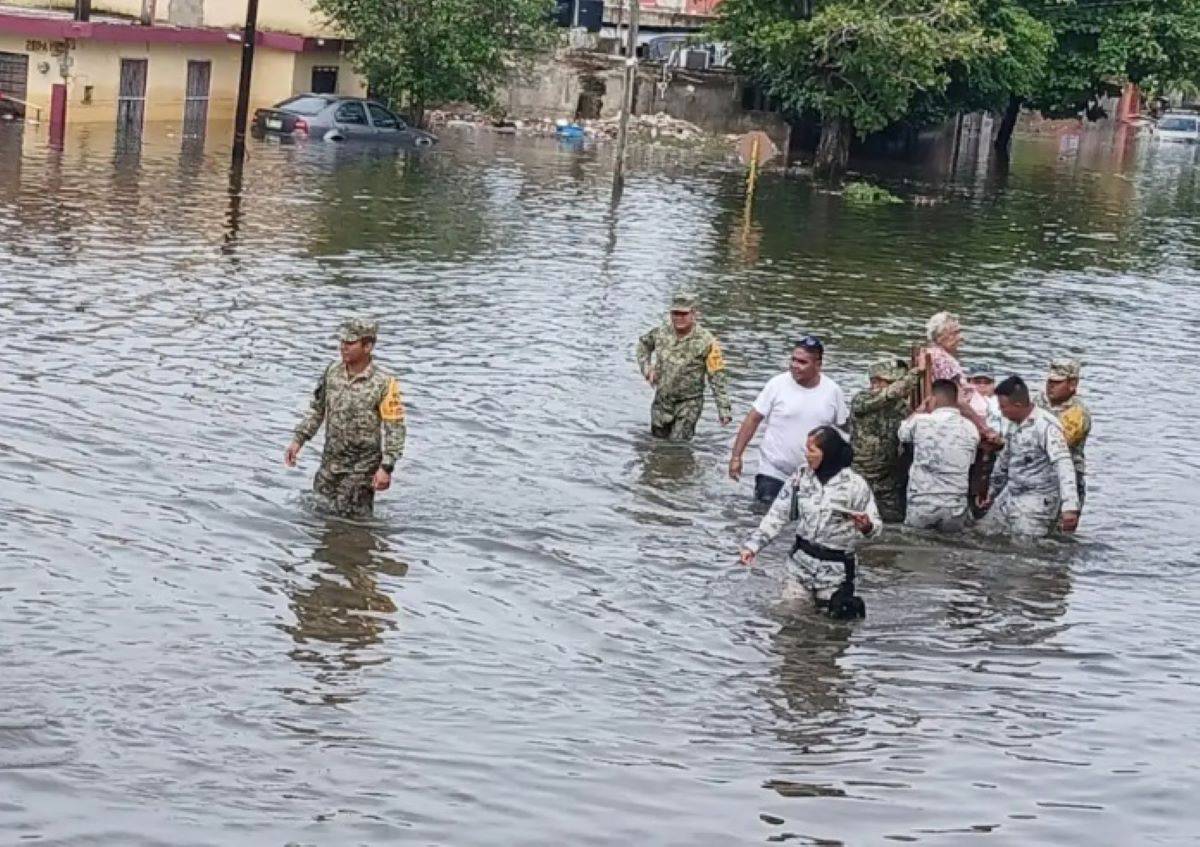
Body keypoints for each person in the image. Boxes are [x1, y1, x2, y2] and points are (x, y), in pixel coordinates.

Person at [739, 426, 881, 618]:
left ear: (828, 453)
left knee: (830, 631)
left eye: (812, 450)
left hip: (836, 572)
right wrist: (753, 546)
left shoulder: (855, 485)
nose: (807, 455)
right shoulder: (800, 478)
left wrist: (866, 526)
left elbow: (876, 528)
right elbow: (778, 515)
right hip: (800, 566)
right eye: (806, 449)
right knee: (790, 618)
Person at [285, 318, 407, 518]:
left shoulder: (384, 383)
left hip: (362, 468)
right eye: (342, 342)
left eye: (350, 343)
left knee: (353, 520)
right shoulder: (332, 372)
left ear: (368, 346)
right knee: (319, 514)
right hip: (331, 463)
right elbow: (317, 410)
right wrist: (298, 441)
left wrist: (387, 467)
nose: (343, 347)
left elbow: (395, 427)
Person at [729, 336, 849, 505]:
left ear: (818, 365)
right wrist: (736, 456)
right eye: (793, 359)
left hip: (813, 475)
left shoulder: (833, 391)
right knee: (764, 517)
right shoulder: (777, 384)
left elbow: (844, 431)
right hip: (773, 470)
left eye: (802, 362)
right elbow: (752, 419)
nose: (795, 366)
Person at [977, 376, 1080, 538]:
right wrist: (991, 493)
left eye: (1003, 407)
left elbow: (1064, 464)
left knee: (1025, 547)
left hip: (1037, 499)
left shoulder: (1046, 426)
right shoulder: (1014, 424)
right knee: (982, 533)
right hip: (1011, 493)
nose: (1001, 412)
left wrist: (1070, 507)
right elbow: (1004, 461)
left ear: (1018, 405)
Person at [635, 293, 732, 441]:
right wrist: (647, 368)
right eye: (675, 313)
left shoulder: (707, 342)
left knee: (677, 446)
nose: (679, 318)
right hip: (662, 401)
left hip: (688, 403)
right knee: (656, 443)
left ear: (694, 314)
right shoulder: (661, 332)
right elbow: (643, 345)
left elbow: (717, 376)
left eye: (684, 314)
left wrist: (723, 409)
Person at [898, 379, 980, 532]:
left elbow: (902, 434)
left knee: (914, 547)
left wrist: (920, 409)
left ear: (933, 398)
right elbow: (971, 462)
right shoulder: (971, 429)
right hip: (955, 505)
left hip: (923, 503)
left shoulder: (920, 421)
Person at [850, 357, 924, 523]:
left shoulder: (900, 407)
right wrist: (916, 373)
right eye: (893, 382)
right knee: (854, 519)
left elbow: (911, 426)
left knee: (894, 521)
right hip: (861, 475)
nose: (900, 387)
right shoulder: (862, 400)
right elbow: (888, 395)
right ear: (875, 382)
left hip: (887, 478)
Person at [924, 311, 995, 440]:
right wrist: (984, 428)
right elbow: (959, 401)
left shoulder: (931, 354)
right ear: (940, 336)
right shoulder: (942, 359)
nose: (962, 338)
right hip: (963, 419)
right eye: (955, 333)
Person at [1035, 358, 1091, 508]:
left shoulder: (1078, 413)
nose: (1051, 386)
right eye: (1049, 381)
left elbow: (1059, 445)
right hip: (1037, 477)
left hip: (1066, 481)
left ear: (1072, 384)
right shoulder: (1037, 401)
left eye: (1057, 382)